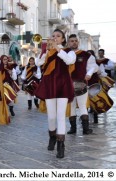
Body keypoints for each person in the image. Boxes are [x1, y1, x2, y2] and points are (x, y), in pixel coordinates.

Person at [35, 29, 76, 158]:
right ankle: (52, 137)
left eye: (58, 36)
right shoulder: (47, 52)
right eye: (53, 36)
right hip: (49, 85)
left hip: (63, 85)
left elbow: (69, 61)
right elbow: (38, 63)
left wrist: (57, 49)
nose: (55, 38)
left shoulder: (69, 51)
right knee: (51, 117)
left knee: (60, 116)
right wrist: (45, 51)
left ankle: (60, 145)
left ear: (63, 39)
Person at [67, 34, 98, 135]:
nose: (74, 42)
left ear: (78, 42)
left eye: (75, 40)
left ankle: (85, 129)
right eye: (72, 41)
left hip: (81, 84)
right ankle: (73, 128)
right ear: (68, 42)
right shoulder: (63, 53)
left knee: (82, 106)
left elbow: (93, 66)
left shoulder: (85, 55)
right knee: (71, 106)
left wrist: (89, 74)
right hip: (67, 85)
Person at [87, 50, 108, 124]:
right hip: (86, 84)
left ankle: (95, 118)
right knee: (85, 101)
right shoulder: (82, 63)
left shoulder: (97, 63)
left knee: (94, 100)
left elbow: (101, 72)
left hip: (94, 85)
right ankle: (85, 119)